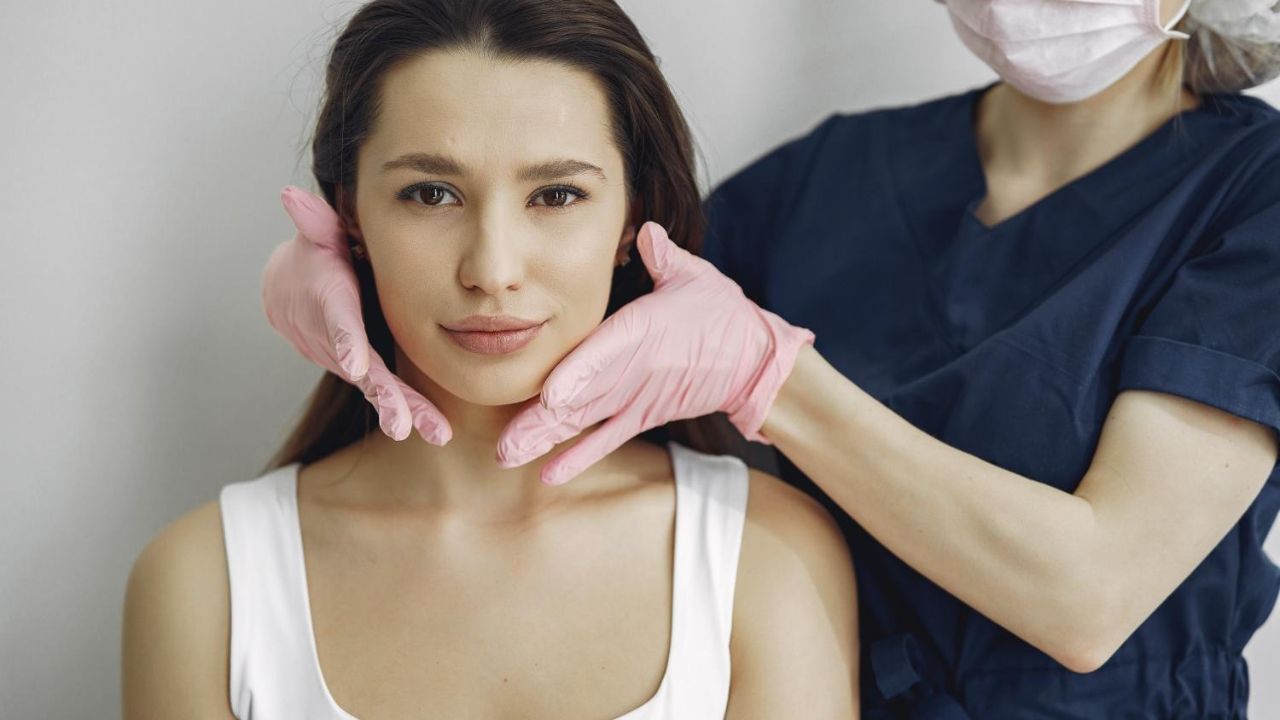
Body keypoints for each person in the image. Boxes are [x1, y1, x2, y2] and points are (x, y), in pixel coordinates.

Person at [260, 0, 1280, 717]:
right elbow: (554, 295)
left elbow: (1088, 598)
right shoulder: (833, 173)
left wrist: (770, 378)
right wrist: (355, 262)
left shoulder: (1250, 196)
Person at [119, 1, 862, 718]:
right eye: (432, 193)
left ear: (631, 217)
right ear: (349, 215)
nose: (492, 268)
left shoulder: (765, 558)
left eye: (558, 194)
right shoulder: (204, 586)